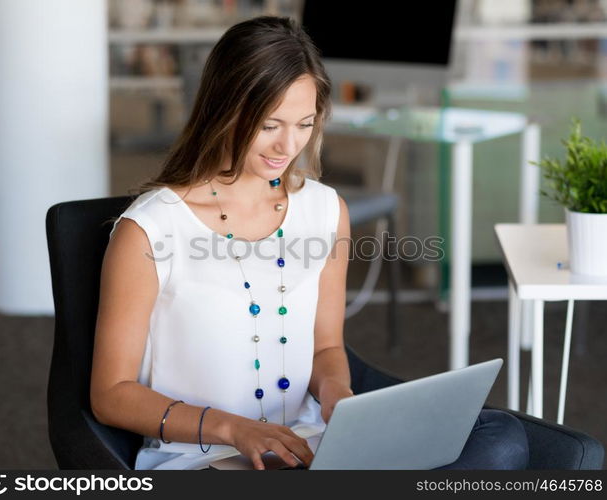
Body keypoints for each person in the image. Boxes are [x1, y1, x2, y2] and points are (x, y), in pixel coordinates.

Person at [90, 16, 529, 471]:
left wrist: (338, 396)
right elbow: (111, 394)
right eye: (269, 125)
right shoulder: (149, 230)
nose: (288, 145)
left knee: (501, 438)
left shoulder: (325, 210)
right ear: (223, 110)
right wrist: (233, 428)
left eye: (303, 124)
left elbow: (325, 350)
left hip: (310, 445)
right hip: (205, 458)